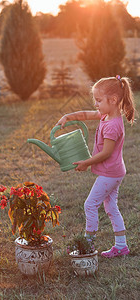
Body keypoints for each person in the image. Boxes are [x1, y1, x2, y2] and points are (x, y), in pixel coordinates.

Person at [56, 75, 136, 258]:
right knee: (111, 207)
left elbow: (106, 153)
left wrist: (86, 163)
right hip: (115, 172)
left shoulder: (113, 126)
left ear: (113, 100)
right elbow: (86, 115)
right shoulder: (107, 115)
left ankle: (88, 244)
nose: (96, 104)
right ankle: (121, 246)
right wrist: (67, 117)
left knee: (90, 205)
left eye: (99, 100)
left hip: (110, 174)